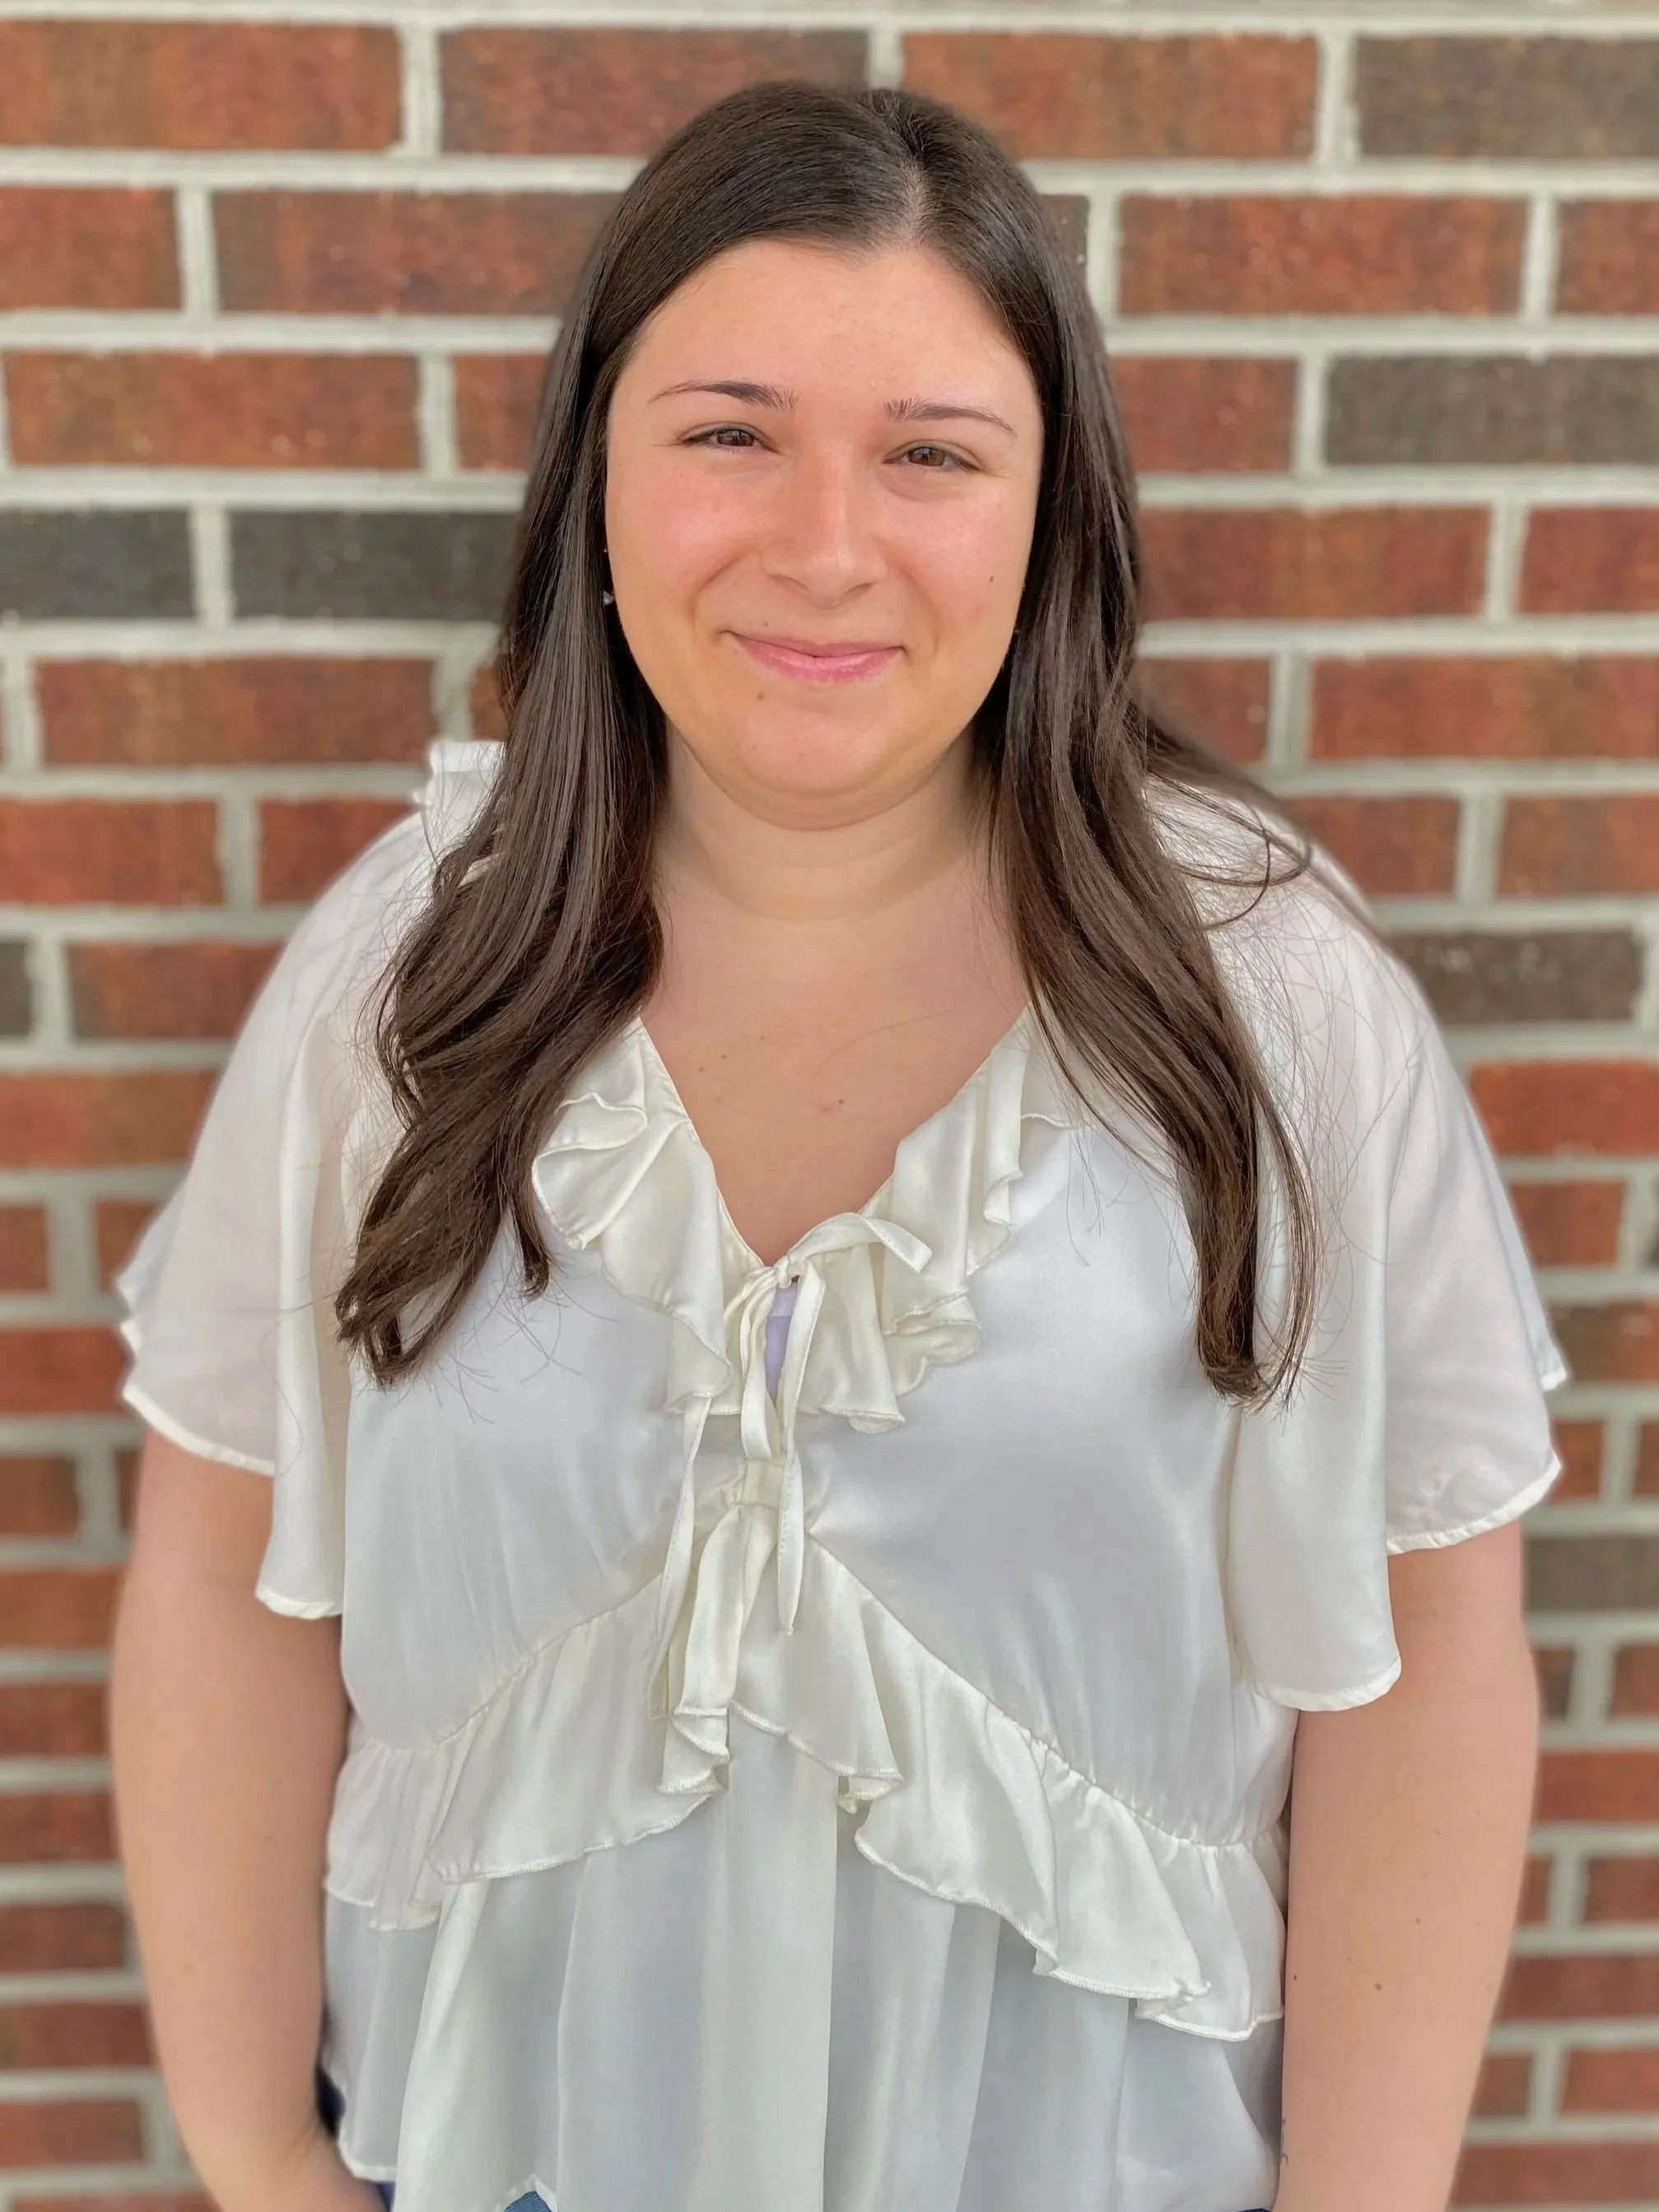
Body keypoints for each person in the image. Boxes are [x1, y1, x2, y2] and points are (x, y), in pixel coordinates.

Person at [108, 81, 1563, 2212]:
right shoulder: (402, 977)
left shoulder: (1270, 1003)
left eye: (930, 454)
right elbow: (224, 1584)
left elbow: (1420, 1654)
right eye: (730, 432)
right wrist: (256, 2156)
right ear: (594, 472)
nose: (821, 546)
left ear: (1048, 508)